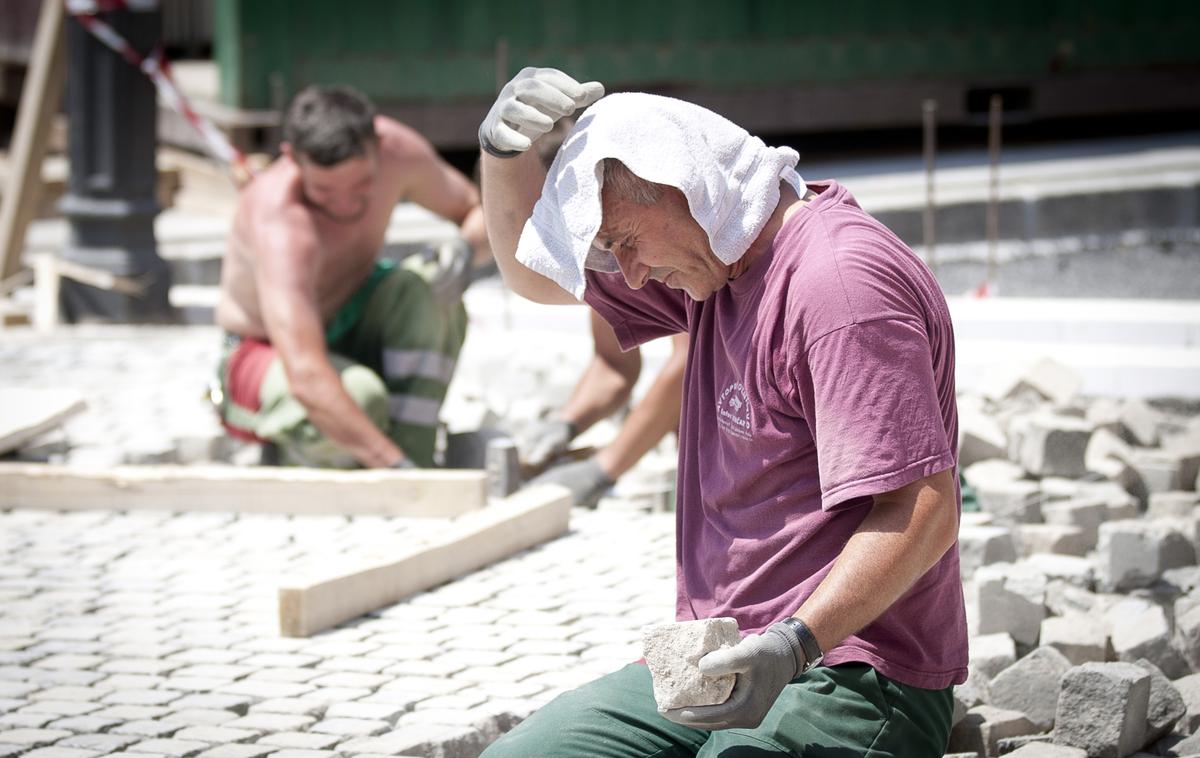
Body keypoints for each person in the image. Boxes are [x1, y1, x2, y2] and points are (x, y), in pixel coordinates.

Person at [476, 68, 967, 756]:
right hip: (718, 657)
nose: (633, 274)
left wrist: (792, 646)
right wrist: (503, 156)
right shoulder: (710, 272)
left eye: (624, 241)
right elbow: (530, 276)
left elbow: (924, 513)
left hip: (855, 674)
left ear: (686, 189)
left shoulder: (839, 288)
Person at [213, 85, 490, 468]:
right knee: (361, 398)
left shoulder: (398, 150)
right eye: (324, 191)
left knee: (427, 287)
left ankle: (416, 448)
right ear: (292, 159)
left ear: (378, 145)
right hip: (265, 353)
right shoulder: (279, 220)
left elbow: (479, 212)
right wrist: (397, 472)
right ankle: (300, 448)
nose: (345, 204)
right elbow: (305, 372)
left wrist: (463, 250)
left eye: (361, 186)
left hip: (349, 319)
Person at [518, 314, 688, 508]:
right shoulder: (605, 282)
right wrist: (566, 422)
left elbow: (696, 359)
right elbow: (614, 364)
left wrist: (605, 466)